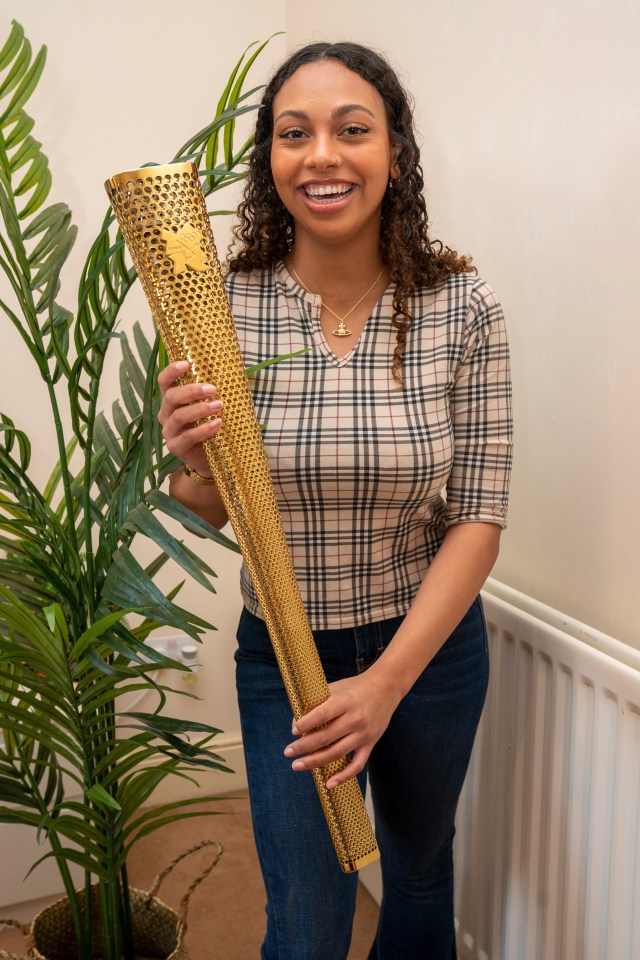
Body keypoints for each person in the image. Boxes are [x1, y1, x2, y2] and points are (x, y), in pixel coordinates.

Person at [157, 41, 512, 960]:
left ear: (394, 154)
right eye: (293, 133)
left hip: (427, 653)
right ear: (269, 161)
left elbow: (477, 519)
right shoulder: (220, 308)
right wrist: (191, 456)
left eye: (352, 130)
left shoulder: (462, 309)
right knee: (309, 925)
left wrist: (385, 686)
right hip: (285, 655)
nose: (322, 155)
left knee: (420, 873)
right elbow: (204, 508)